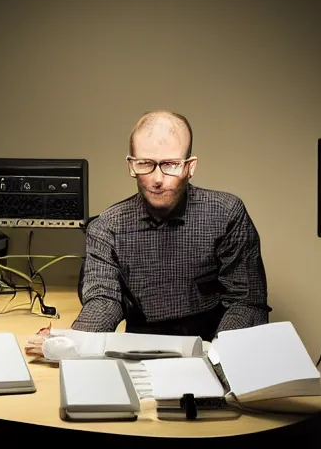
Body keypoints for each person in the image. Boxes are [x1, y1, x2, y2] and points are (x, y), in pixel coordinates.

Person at [71, 111, 270, 341]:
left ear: (190, 167)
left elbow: (246, 300)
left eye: (171, 164)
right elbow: (103, 300)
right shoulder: (107, 227)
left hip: (213, 343)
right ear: (131, 166)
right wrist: (74, 342)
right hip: (141, 347)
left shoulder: (226, 215)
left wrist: (223, 354)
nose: (157, 179)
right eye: (145, 163)